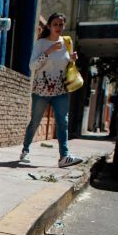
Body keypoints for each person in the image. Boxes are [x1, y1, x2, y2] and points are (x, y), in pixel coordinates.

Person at [20, 13, 83, 168]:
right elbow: (32, 66)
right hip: (41, 89)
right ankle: (25, 151)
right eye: (55, 24)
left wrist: (72, 59)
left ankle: (64, 157)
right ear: (49, 26)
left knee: (63, 123)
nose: (58, 28)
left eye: (61, 24)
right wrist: (48, 51)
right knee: (35, 121)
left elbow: (65, 65)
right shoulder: (41, 43)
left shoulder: (67, 42)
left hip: (60, 89)